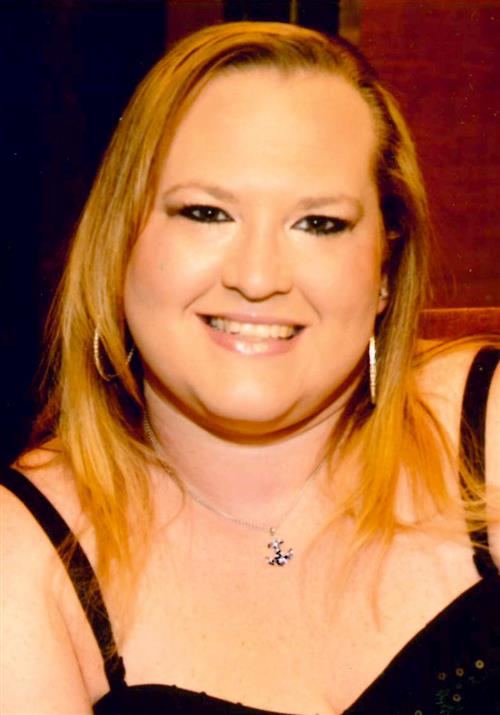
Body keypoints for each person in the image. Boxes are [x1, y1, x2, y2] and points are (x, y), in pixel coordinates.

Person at [1, 20, 499, 715]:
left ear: (386, 267)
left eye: (319, 223)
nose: (259, 277)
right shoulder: (23, 558)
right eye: (206, 213)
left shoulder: (485, 430)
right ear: (120, 246)